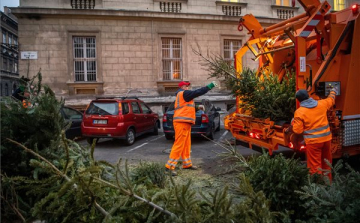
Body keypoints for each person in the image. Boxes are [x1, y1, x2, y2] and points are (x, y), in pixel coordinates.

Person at [165, 81, 217, 176]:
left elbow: (185, 107)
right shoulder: (184, 93)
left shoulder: (182, 96)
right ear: (183, 86)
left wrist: (197, 107)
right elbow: (198, 92)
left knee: (186, 144)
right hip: (181, 122)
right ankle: (169, 167)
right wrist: (209, 86)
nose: (188, 88)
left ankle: (187, 164)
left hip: (184, 122)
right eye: (187, 86)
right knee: (179, 144)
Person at [291, 88, 336, 180]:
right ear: (309, 96)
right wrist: (333, 91)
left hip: (313, 143)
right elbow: (331, 99)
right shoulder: (321, 104)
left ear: (298, 100)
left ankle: (317, 190)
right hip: (327, 140)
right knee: (326, 164)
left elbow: (298, 131)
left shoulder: (299, 112)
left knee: (315, 167)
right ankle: (328, 187)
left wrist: (293, 122)